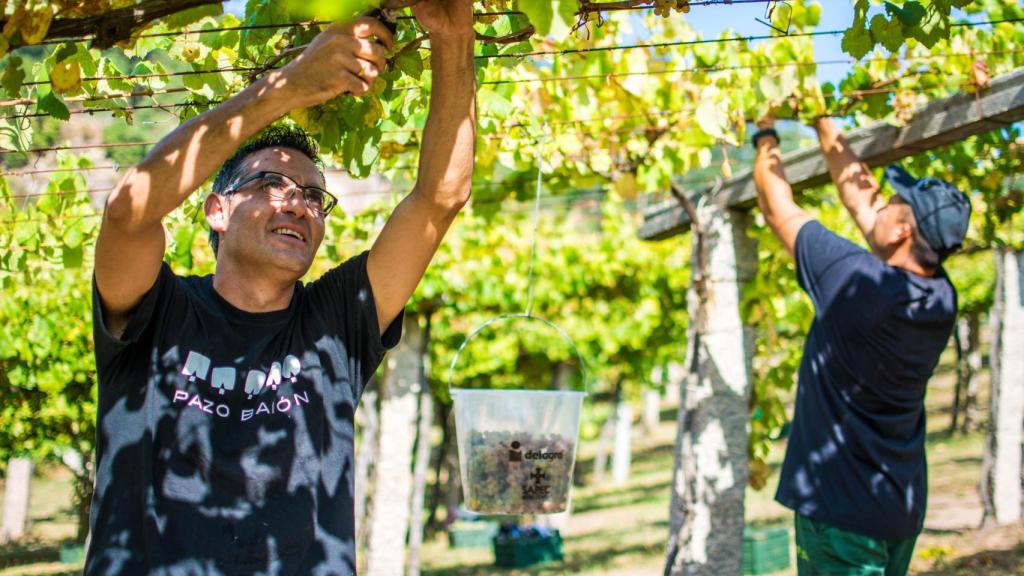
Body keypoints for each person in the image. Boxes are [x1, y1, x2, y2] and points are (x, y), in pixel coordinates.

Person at [87, 1, 476, 574]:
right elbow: (128, 212)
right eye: (271, 182)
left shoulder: (336, 321)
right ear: (217, 210)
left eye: (314, 195)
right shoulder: (156, 311)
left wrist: (453, 34)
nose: (297, 200)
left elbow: (440, 198)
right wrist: (288, 86)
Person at [751, 116, 971, 575]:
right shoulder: (940, 299)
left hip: (839, 512)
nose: (880, 201)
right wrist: (822, 123)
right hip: (897, 505)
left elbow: (777, 208)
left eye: (893, 202)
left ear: (902, 233)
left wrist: (765, 136)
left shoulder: (853, 281)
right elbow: (862, 200)